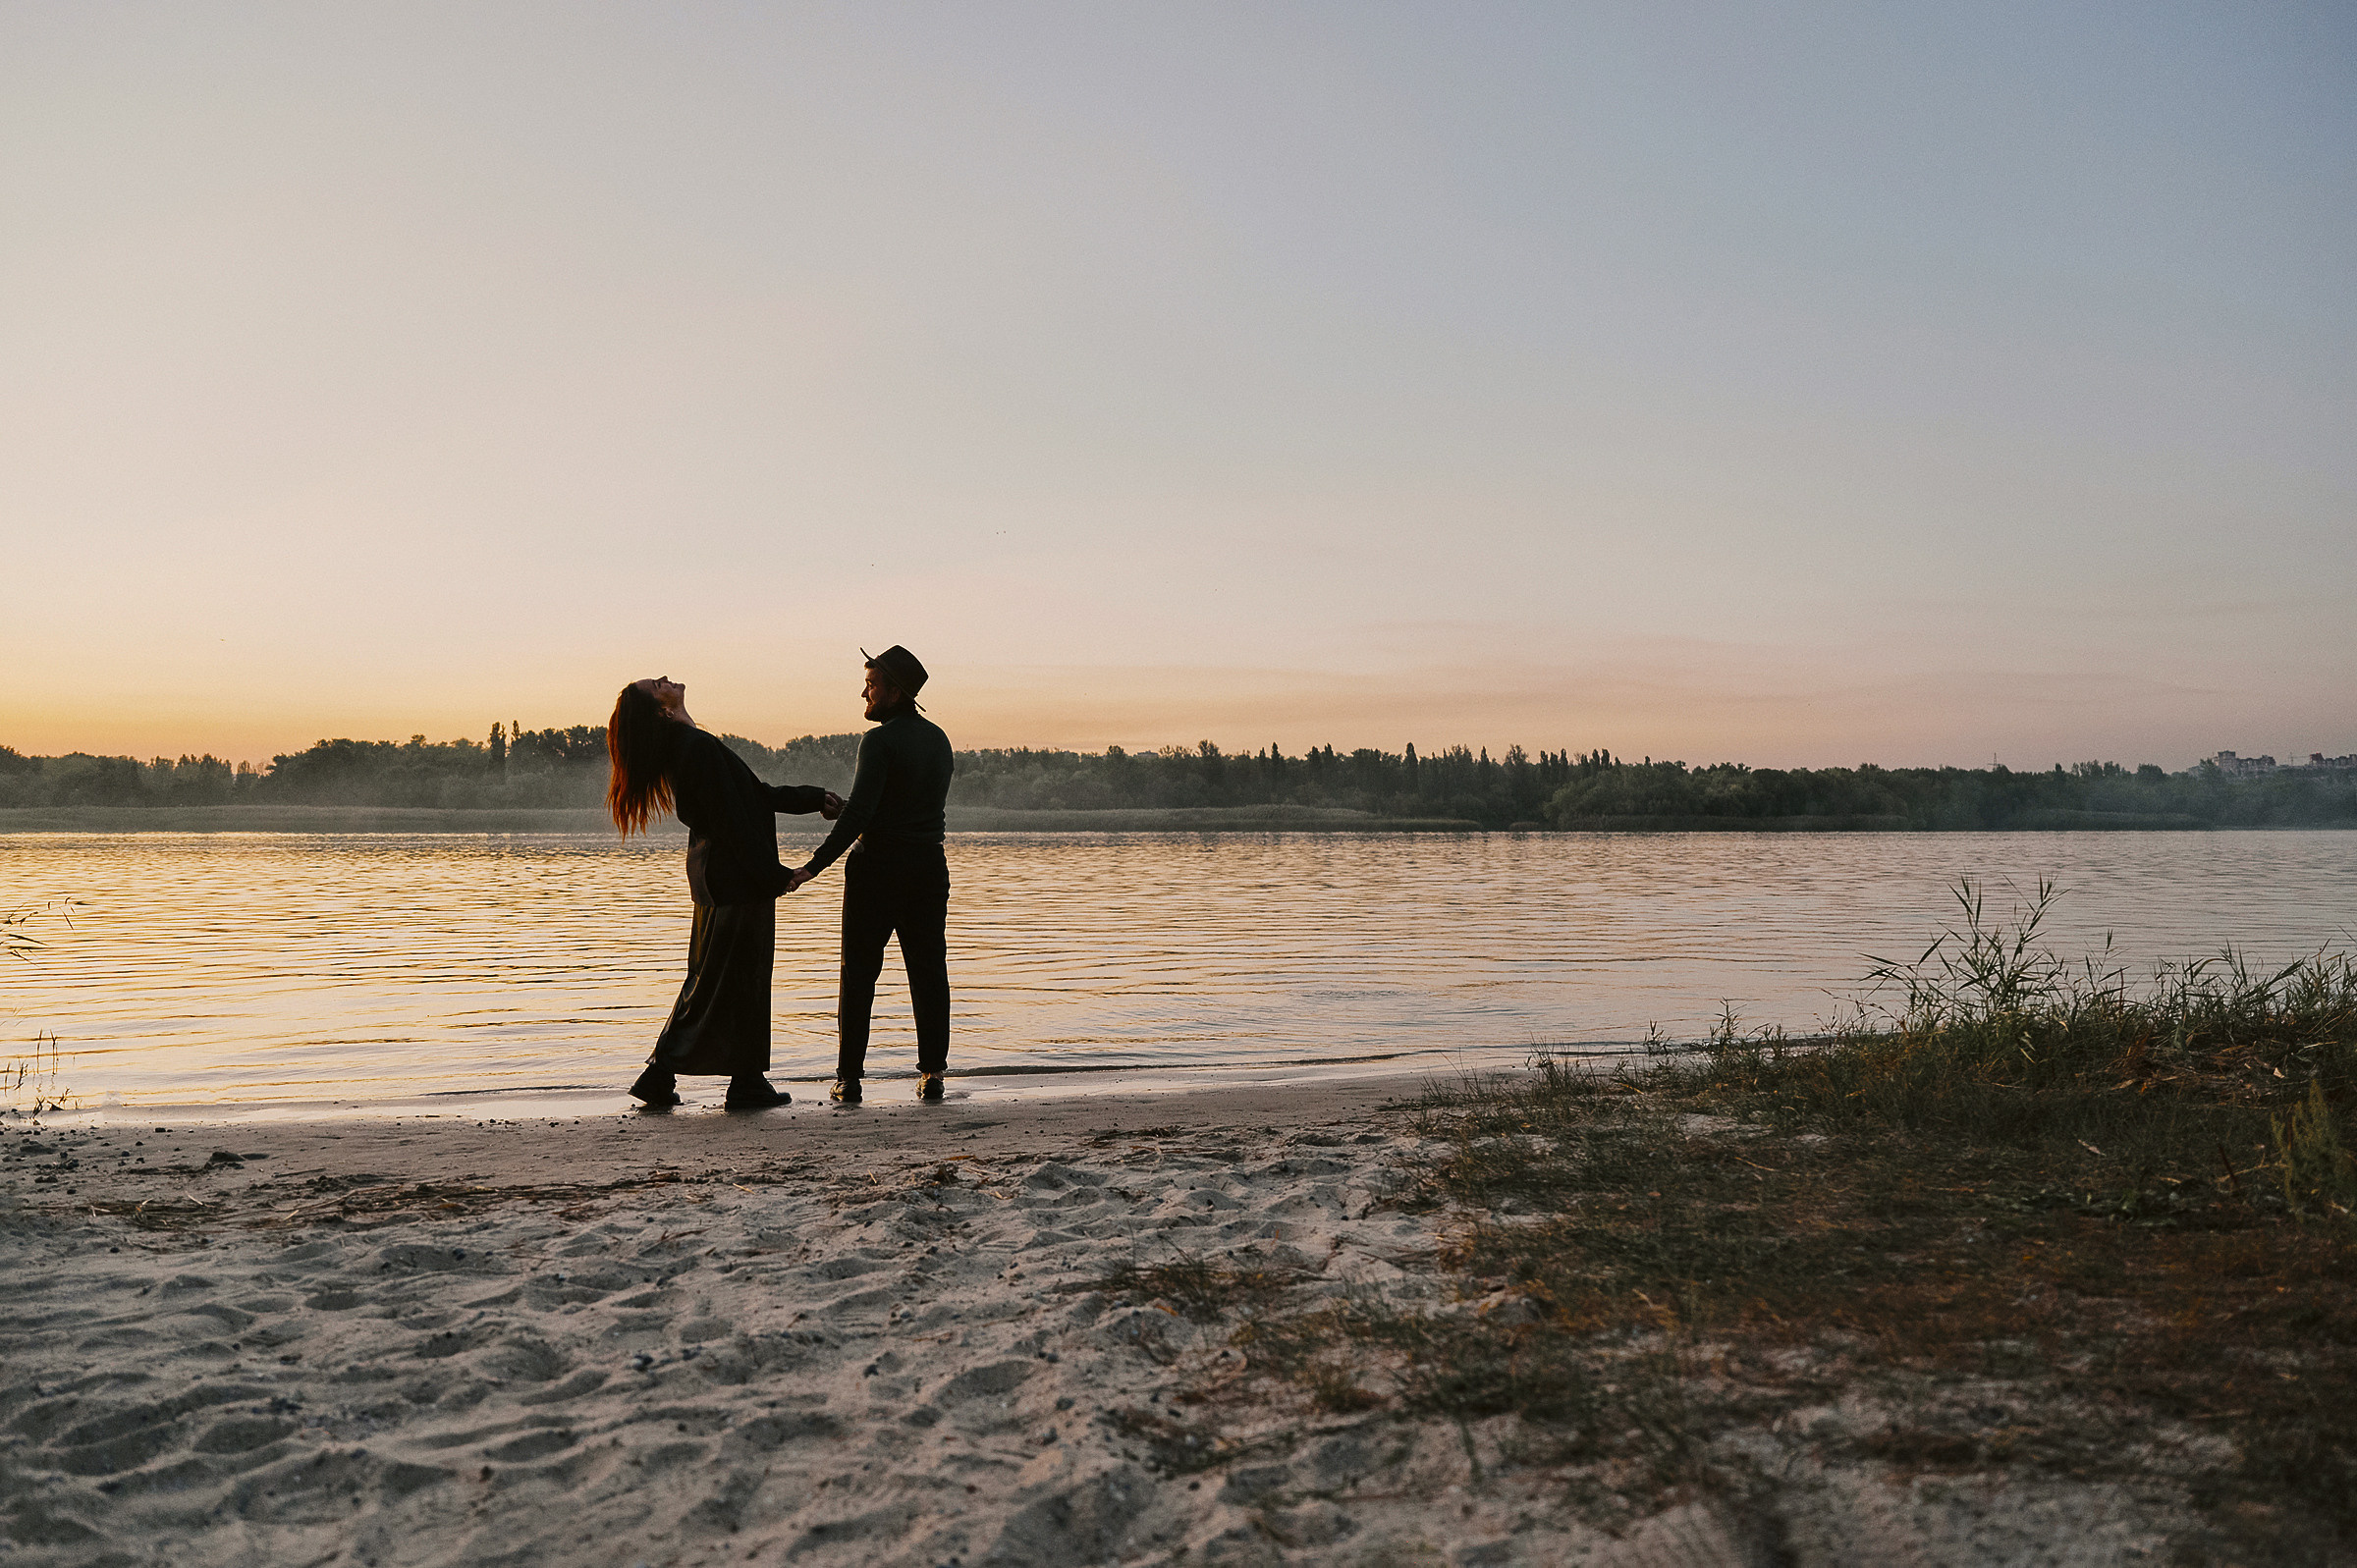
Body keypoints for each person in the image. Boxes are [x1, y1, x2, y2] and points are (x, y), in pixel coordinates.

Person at [607, 676, 842, 1110]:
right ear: (662, 710)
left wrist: (814, 799)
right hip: (735, 880)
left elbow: (754, 795)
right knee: (734, 978)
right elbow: (732, 819)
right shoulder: (693, 747)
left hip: (720, 878)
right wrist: (773, 875)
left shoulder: (690, 745)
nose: (665, 678)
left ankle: (722, 1078)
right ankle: (706, 1078)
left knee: (715, 978)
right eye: (656, 685)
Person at [786, 646, 955, 1104]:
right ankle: (933, 1073)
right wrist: (853, 812)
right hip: (927, 868)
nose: (865, 692)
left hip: (877, 870)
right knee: (928, 971)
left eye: (872, 685)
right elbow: (901, 808)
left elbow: (863, 815)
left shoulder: (878, 742)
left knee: (858, 973)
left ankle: (849, 1079)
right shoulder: (939, 739)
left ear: (895, 693)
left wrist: (811, 867)